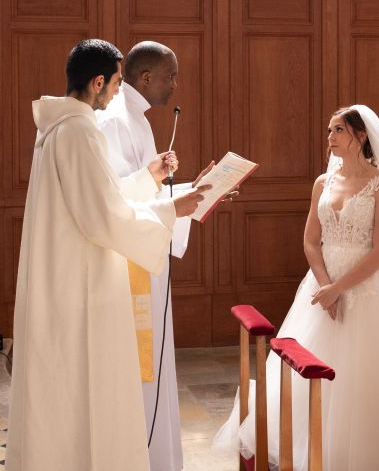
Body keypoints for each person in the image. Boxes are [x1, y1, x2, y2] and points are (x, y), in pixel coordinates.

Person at [6, 39, 208, 471]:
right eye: (117, 82)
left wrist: (149, 179)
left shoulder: (61, 128)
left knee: (69, 396)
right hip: (82, 284)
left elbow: (103, 195)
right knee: (88, 391)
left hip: (64, 275)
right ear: (98, 82)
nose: (119, 91)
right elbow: (103, 216)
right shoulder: (79, 131)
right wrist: (171, 209)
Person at [214, 105, 379, 470]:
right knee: (305, 371)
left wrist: (341, 287)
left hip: (365, 287)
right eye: (329, 130)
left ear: (360, 136)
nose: (329, 138)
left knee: (362, 376)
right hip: (321, 287)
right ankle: (309, 450)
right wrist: (326, 288)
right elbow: (311, 240)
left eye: (337, 131)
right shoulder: (322, 183)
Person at [97, 40, 220, 471]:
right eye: (170, 76)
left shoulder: (138, 120)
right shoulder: (115, 122)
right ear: (145, 78)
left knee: (155, 370)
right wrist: (174, 201)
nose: (175, 85)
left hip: (145, 260)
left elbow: (142, 188)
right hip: (129, 265)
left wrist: (190, 190)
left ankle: (157, 459)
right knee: (138, 373)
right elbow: (113, 203)